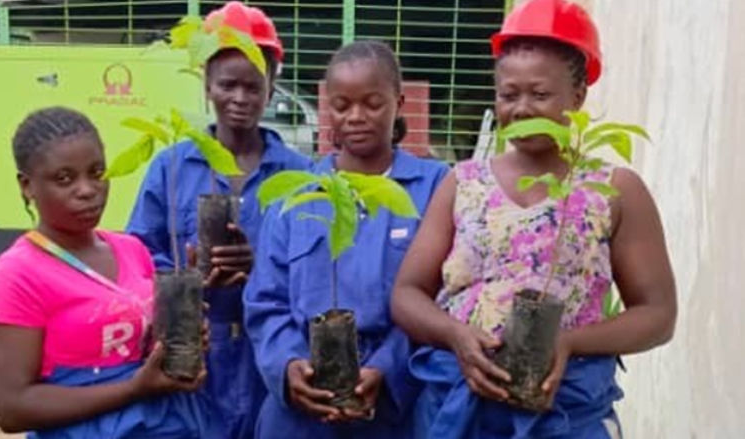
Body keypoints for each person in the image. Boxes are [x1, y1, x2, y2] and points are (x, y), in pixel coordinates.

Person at [390, 0, 677, 437]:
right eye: (508, 95)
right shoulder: (463, 183)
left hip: (566, 415)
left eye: (540, 94)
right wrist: (455, 336)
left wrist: (569, 342)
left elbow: (658, 315)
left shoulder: (613, 191)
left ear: (577, 97)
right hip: (456, 407)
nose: (521, 109)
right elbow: (407, 293)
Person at [243, 40, 448, 439]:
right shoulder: (296, 193)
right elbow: (265, 300)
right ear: (326, 107)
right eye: (341, 105)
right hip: (301, 409)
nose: (356, 117)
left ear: (399, 102)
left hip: (396, 409)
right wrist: (288, 368)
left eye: (372, 103)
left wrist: (387, 369)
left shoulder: (435, 187)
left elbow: (445, 297)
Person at [126, 2, 311, 437]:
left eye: (253, 85)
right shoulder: (171, 168)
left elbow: (312, 269)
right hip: (195, 349)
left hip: (268, 353)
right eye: (228, 85)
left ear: (272, 85)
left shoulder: (300, 175)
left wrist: (259, 268)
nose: (240, 99)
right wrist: (184, 277)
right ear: (207, 84)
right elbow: (137, 256)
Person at [0, 107, 210, 438]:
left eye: (97, 172)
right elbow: (12, 408)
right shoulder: (15, 276)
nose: (87, 189)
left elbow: (139, 350)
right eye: (64, 178)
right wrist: (135, 388)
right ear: (27, 186)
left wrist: (180, 338)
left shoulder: (131, 250)